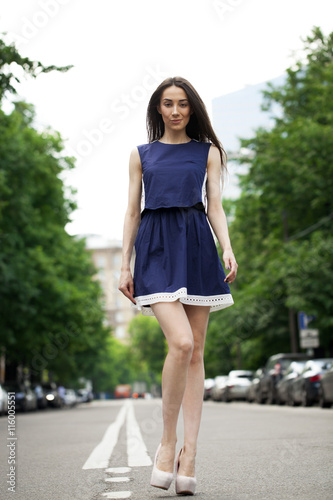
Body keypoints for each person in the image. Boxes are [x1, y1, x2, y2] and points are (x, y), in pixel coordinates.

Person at [118, 76, 237, 495]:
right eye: (167, 103)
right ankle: (167, 444)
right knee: (181, 343)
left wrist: (228, 248)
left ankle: (191, 452)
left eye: (183, 104)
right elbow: (132, 211)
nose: (175, 111)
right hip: (155, 248)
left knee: (197, 349)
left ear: (191, 109)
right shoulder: (141, 154)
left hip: (196, 243)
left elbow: (215, 205)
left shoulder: (208, 153)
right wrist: (123, 266)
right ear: (157, 109)